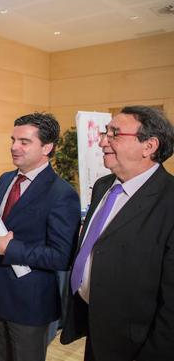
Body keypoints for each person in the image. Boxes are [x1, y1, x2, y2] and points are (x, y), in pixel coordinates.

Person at [60, 106, 174, 361]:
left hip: (137, 345)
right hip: (96, 327)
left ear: (149, 146)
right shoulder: (103, 185)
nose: (102, 141)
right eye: (104, 133)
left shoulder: (169, 201)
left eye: (114, 134)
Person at [0, 112, 80, 361]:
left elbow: (62, 256)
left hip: (31, 304)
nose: (14, 147)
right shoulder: (5, 179)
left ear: (47, 147)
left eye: (24, 141)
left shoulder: (62, 194)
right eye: (13, 139)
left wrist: (11, 249)